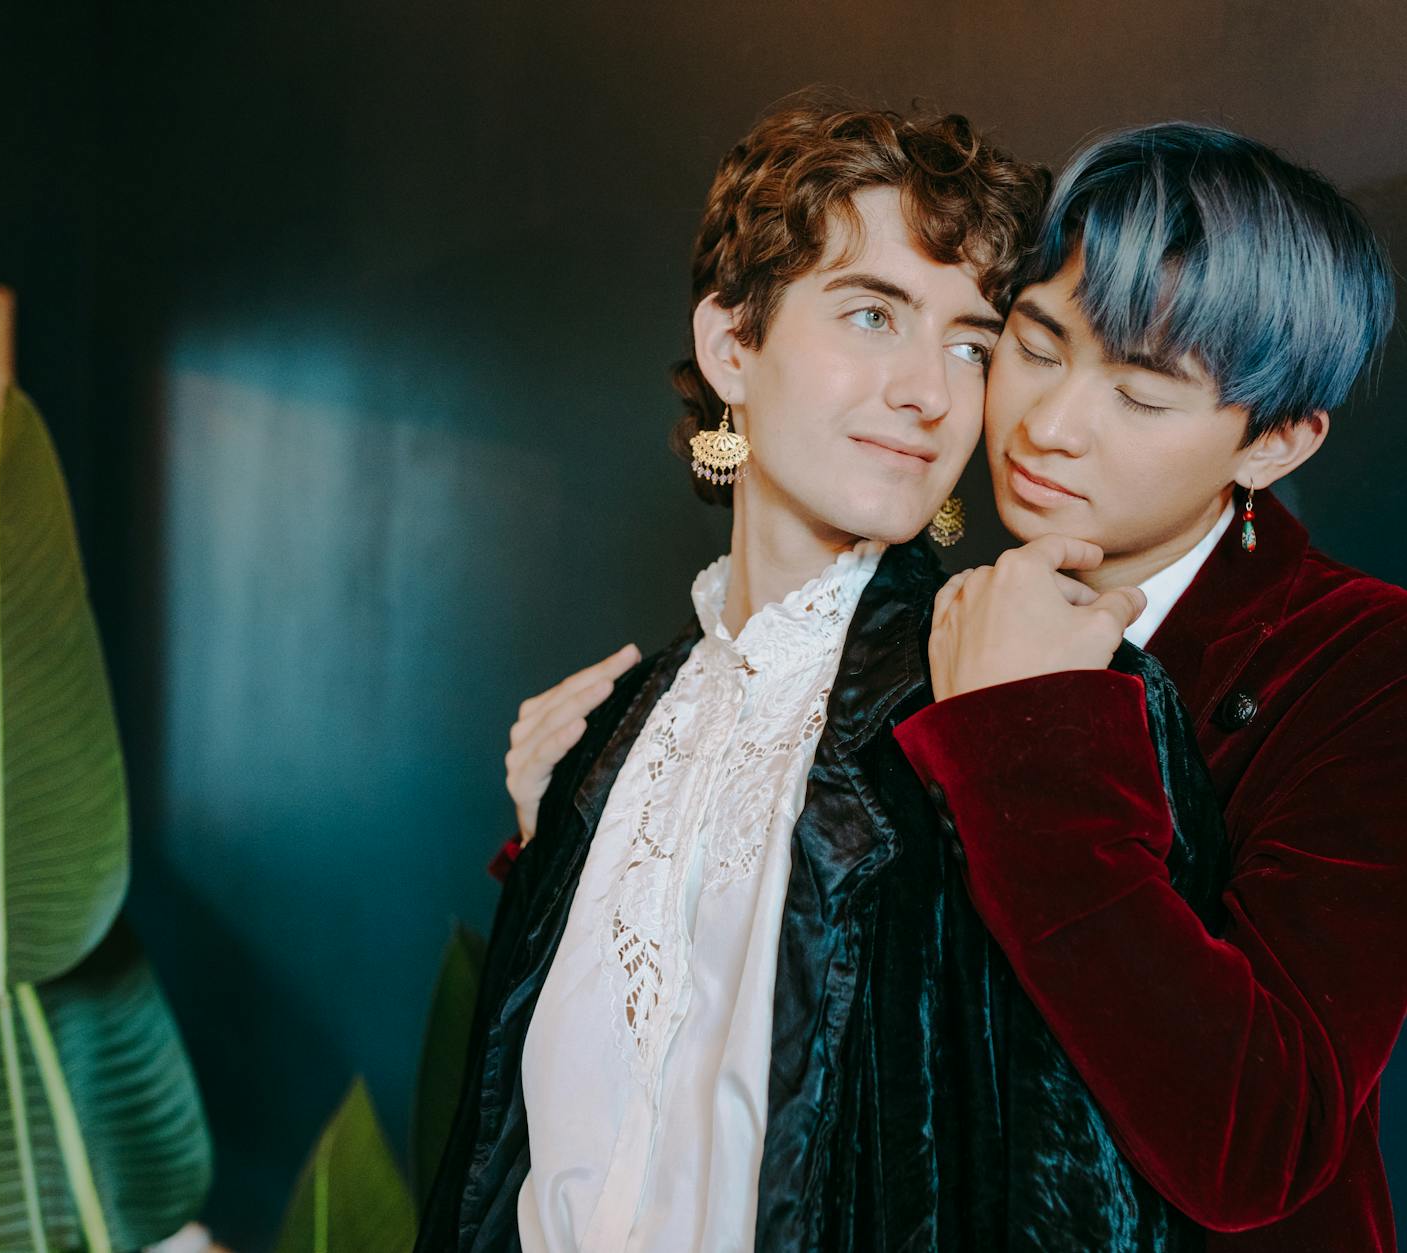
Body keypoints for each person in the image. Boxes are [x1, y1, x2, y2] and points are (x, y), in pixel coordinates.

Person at [416, 97, 1093, 1251]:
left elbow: (1058, 1191)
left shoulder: (997, 706)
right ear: (734, 345)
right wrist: (545, 850)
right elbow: (513, 1152)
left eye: (969, 341)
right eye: (872, 314)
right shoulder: (614, 734)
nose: (931, 392)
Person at [896, 123, 1407, 1252]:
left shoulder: (1380, 664)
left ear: (1270, 443)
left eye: (1140, 394)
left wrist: (1026, 733)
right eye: (1034, 344)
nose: (1047, 425)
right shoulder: (935, 600)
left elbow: (1251, 1136)